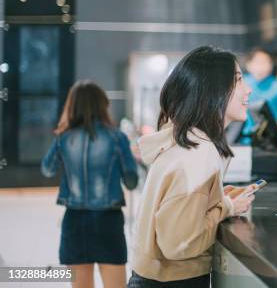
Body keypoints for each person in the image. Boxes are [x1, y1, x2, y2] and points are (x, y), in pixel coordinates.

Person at [128, 46, 255, 287]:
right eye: (238, 80)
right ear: (212, 90)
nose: (248, 90)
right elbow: (179, 243)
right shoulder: (199, 153)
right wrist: (226, 207)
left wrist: (215, 199)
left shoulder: (187, 140)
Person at [41, 80, 139, 288]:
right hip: (108, 222)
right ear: (102, 105)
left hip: (74, 221)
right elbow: (131, 182)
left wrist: (61, 139)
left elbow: (47, 169)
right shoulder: (117, 137)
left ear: (72, 105)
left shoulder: (63, 138)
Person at [242, 48, 277, 137]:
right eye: (259, 62)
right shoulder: (241, 82)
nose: (263, 65)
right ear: (248, 64)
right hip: (243, 139)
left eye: (267, 61)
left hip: (270, 140)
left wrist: (275, 132)